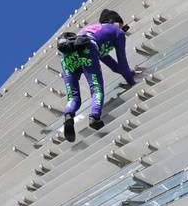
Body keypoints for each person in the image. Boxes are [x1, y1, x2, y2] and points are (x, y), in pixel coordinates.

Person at [56, 9, 136, 141]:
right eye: (123, 27)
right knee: (96, 90)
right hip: (87, 50)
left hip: (67, 57)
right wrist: (133, 82)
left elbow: (113, 66)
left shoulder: (92, 30)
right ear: (116, 22)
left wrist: (129, 72)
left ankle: (68, 115)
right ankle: (94, 117)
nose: (124, 31)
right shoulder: (117, 32)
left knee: (73, 97)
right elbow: (122, 64)